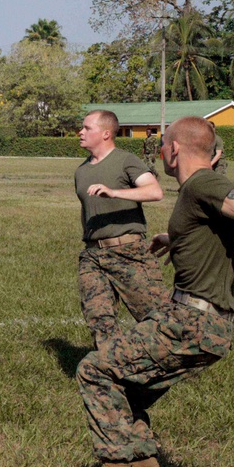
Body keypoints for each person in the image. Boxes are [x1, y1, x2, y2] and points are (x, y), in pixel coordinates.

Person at [51, 116, 234, 467]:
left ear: (175, 149)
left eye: (163, 144)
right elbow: (212, 227)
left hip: (190, 322)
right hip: (198, 321)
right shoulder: (195, 191)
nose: (160, 150)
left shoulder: (202, 183)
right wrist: (175, 239)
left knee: (95, 370)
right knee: (126, 390)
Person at [75, 110, 166, 347]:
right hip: (92, 255)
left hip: (127, 252)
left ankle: (175, 360)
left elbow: (155, 191)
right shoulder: (81, 170)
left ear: (106, 134)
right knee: (99, 321)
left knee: (156, 318)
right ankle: (110, 364)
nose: (80, 132)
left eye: (87, 128)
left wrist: (114, 192)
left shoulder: (126, 160)